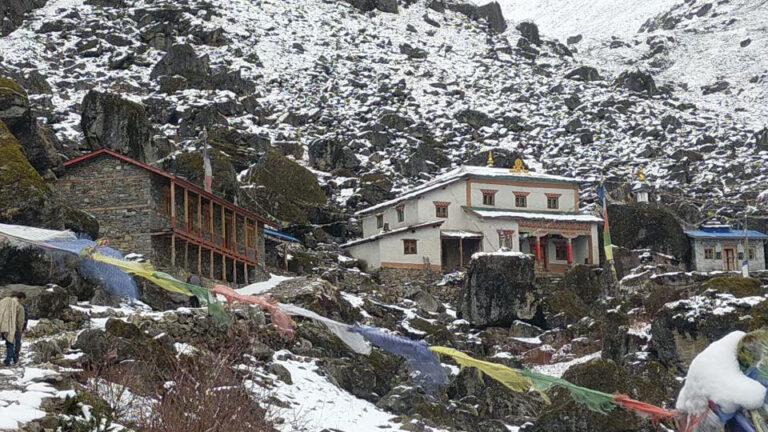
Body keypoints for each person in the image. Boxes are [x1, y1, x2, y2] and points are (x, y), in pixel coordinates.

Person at [0, 292, 25, 367]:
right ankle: (8, 360)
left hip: (4, 325)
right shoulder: (19, 307)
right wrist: (20, 329)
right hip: (14, 328)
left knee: (9, 343)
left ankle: (14, 359)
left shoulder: (6, 302)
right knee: (12, 344)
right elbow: (20, 320)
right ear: (22, 298)